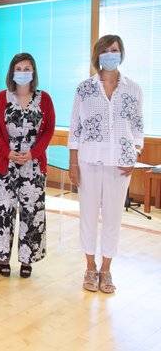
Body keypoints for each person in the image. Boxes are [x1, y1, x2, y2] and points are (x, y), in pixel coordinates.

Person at [68, 35, 143, 294]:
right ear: (98, 55)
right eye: (106, 50)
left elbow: (138, 127)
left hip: (120, 164)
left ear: (121, 54)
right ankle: (90, 267)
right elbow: (75, 128)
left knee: (113, 217)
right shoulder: (84, 89)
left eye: (115, 50)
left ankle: (106, 269)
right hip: (89, 161)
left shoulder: (133, 89)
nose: (111, 54)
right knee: (88, 216)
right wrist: (73, 163)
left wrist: (135, 154)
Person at [0, 53, 55, 278]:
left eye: (27, 68)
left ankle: (27, 259)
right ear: (12, 72)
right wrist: (7, 152)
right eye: (19, 68)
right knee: (3, 211)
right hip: (6, 164)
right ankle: (3, 257)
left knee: (31, 213)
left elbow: (49, 130)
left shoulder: (44, 99)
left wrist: (33, 153)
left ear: (33, 72)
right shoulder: (1, 98)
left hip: (33, 167)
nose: (23, 72)